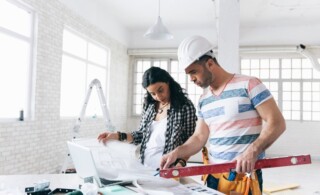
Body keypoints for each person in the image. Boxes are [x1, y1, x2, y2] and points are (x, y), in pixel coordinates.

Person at [160, 35, 286, 193]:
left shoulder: (249, 84)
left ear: (210, 63)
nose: (191, 79)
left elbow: (277, 123)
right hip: (212, 177)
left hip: (243, 178)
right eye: (188, 74)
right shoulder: (203, 100)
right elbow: (199, 137)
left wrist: (253, 150)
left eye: (194, 72)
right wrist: (176, 152)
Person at [98, 66, 197, 169]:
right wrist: (116, 136)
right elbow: (141, 135)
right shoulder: (149, 106)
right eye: (153, 93)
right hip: (144, 167)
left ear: (168, 82)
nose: (158, 97)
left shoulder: (185, 106)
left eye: (161, 90)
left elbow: (191, 142)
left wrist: (180, 164)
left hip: (168, 169)